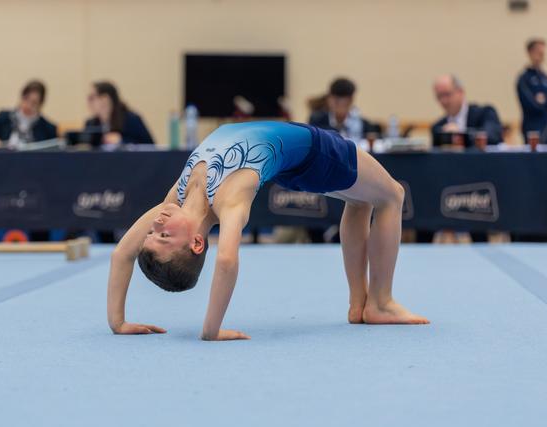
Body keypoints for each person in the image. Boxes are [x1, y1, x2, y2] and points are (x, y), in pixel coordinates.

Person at [106, 121, 429, 340]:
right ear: (197, 243)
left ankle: (361, 304)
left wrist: (118, 322)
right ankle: (381, 302)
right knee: (391, 196)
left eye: (152, 234)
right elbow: (227, 260)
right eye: (164, 236)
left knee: (360, 201)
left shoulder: (174, 200)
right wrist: (211, 331)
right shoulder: (230, 201)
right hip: (314, 152)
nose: (157, 224)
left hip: (290, 157)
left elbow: (122, 253)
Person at [431, 74, 503, 147]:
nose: (444, 101)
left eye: (447, 94)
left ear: (461, 92)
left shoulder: (485, 113)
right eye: (439, 96)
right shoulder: (438, 127)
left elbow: (492, 137)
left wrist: (461, 134)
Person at [0, 80, 57, 147]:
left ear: (40, 104)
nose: (28, 105)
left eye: (33, 103)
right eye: (26, 99)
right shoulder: (3, 117)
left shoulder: (48, 128)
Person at [516, 38, 547, 145]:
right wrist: (545, 102)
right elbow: (531, 105)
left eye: (543, 52)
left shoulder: (545, 77)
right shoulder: (524, 79)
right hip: (532, 128)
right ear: (530, 53)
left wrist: (545, 99)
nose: (542, 55)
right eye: (539, 52)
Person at [309, 77, 382, 139]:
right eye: (336, 102)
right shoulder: (317, 120)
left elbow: (374, 133)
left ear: (350, 101)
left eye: (342, 102)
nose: (339, 106)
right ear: (329, 99)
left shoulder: (360, 123)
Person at [85, 81, 154, 145]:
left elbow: (150, 146)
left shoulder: (131, 119)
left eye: (91, 98)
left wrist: (122, 141)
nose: (88, 102)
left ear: (105, 98)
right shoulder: (91, 123)